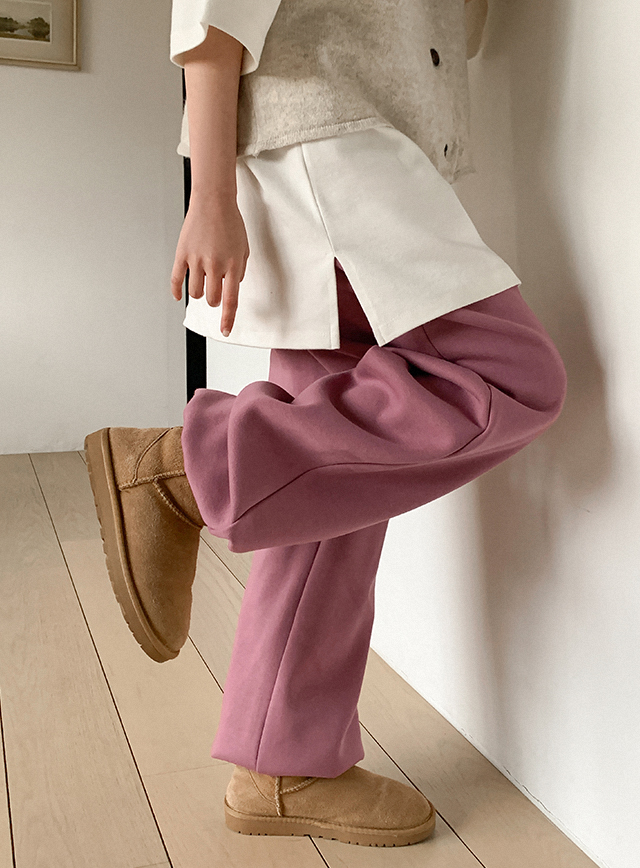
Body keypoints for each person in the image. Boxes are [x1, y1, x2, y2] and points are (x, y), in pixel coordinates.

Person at [84, 0, 567, 848]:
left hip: (361, 142)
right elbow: (214, 11)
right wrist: (210, 192)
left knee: (327, 484)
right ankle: (185, 471)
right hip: (334, 144)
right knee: (510, 377)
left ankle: (283, 765)